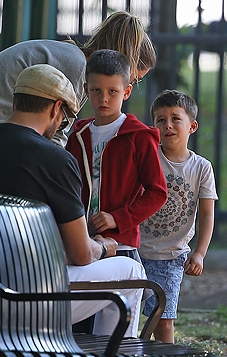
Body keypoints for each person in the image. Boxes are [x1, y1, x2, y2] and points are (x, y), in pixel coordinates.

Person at [0, 64, 146, 338]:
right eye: (64, 118)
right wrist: (103, 246)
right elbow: (81, 254)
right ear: (56, 108)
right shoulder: (55, 160)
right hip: (25, 303)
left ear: (15, 101)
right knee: (131, 271)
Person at [0, 11, 156, 182]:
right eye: (133, 80)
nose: (129, 86)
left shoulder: (71, 58)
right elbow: (54, 139)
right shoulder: (78, 68)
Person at [65, 49, 167, 263]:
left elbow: (157, 193)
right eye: (96, 90)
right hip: (81, 242)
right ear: (85, 89)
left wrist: (117, 218)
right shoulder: (77, 136)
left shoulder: (139, 137)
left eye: (113, 91)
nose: (103, 99)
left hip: (121, 245)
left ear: (126, 92)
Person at [138, 90, 217, 343]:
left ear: (192, 126)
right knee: (125, 314)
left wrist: (200, 252)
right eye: (161, 120)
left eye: (175, 118)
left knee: (164, 320)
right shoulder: (148, 157)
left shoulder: (201, 168)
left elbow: (206, 214)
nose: (168, 125)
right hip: (136, 251)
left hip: (172, 256)